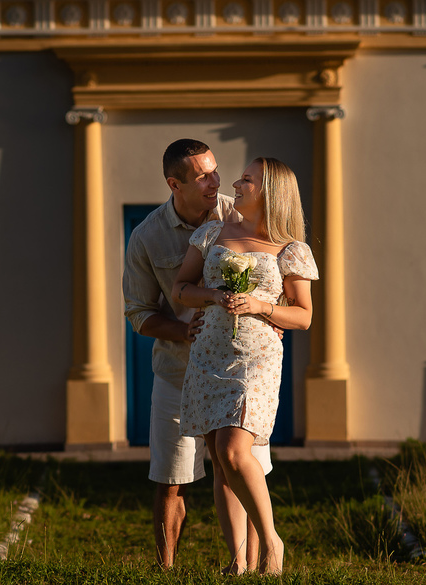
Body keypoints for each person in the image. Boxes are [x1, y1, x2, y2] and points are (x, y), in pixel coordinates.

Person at [123, 139, 274, 571]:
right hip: (178, 373)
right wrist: (183, 331)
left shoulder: (239, 213)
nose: (216, 181)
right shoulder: (146, 236)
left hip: (238, 371)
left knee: (242, 469)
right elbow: (138, 313)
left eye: (215, 170)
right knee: (171, 480)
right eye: (203, 176)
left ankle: (247, 566)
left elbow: (278, 264)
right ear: (175, 184)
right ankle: (165, 570)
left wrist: (272, 311)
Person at [173, 157, 318, 576]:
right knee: (221, 461)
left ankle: (272, 542)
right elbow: (181, 289)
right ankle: (238, 561)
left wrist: (259, 306)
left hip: (256, 359)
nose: (235, 184)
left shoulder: (291, 249)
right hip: (208, 355)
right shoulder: (211, 233)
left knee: (234, 450)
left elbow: (304, 316)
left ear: (270, 191)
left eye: (247, 179)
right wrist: (213, 296)